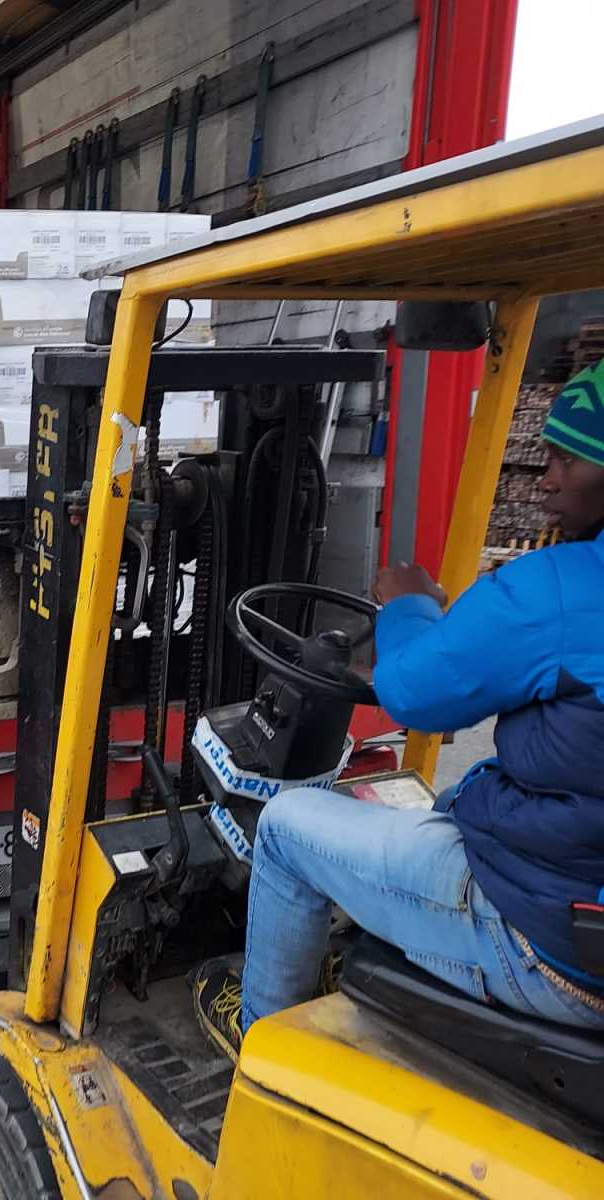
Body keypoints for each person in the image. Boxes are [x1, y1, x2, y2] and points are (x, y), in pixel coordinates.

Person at [192, 360, 604, 1060]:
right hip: (576, 896)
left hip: (542, 941)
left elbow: (417, 693)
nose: (547, 479)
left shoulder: (563, 592)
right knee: (437, 801)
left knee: (287, 826)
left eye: (569, 459)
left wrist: (408, 605)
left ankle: (260, 1039)